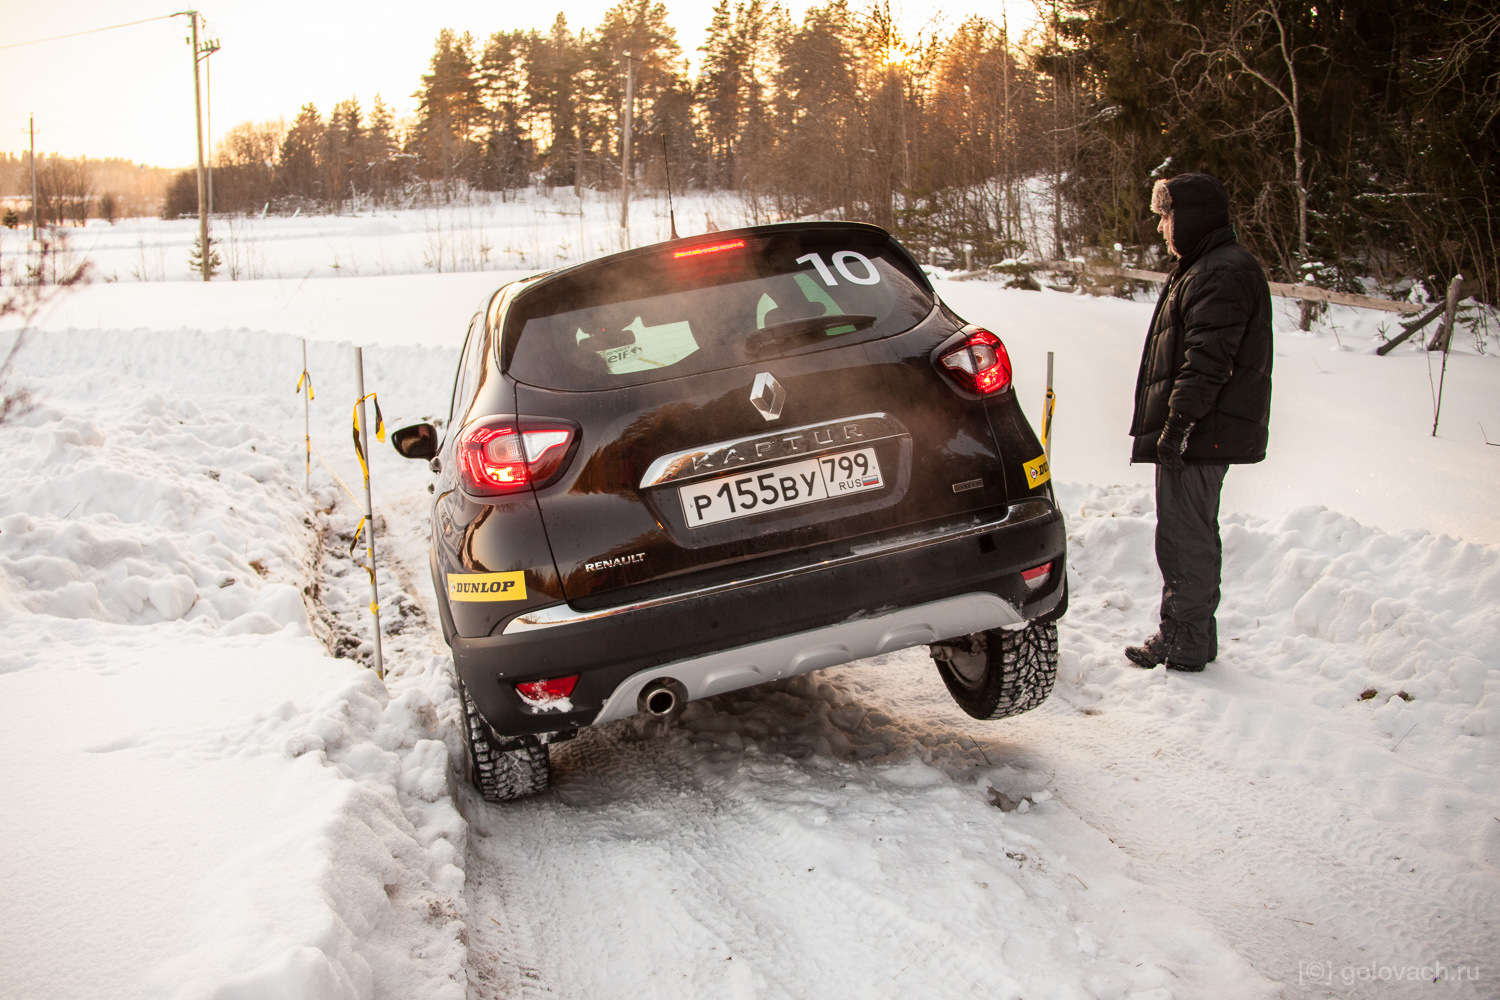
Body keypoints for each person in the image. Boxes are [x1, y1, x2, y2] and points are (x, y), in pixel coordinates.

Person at [1125, 172, 1273, 672]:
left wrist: (1178, 425)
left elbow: (1209, 361)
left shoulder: (1220, 272)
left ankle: (1183, 641)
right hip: (1202, 430)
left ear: (1191, 217)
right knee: (1187, 534)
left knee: (1185, 538)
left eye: (1167, 216)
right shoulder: (1208, 266)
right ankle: (1191, 636)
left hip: (1201, 432)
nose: (1163, 227)